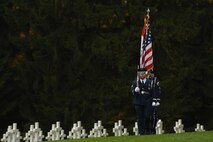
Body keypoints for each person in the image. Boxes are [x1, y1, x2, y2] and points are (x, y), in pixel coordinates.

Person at [131, 68, 153, 135]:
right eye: (140, 73)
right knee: (140, 117)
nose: (142, 75)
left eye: (143, 73)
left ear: (145, 74)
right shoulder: (135, 82)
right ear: (138, 74)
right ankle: (141, 132)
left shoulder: (149, 82)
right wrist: (135, 90)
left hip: (147, 102)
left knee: (147, 116)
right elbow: (132, 91)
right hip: (138, 102)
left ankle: (148, 130)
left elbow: (153, 91)